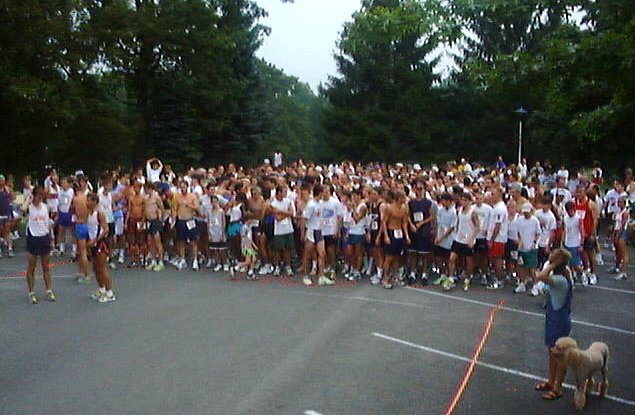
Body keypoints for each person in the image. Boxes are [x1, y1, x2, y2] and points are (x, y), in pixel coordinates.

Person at [534, 248, 573, 401]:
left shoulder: (560, 280)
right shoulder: (560, 276)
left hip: (559, 320)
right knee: (552, 352)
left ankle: (558, 387)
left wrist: (552, 265)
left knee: (560, 355)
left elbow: (540, 276)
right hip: (553, 318)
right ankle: (551, 381)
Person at [22, 186, 56, 304]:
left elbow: (48, 223)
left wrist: (51, 237)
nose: (40, 198)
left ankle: (49, 290)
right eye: (38, 195)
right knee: (31, 267)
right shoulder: (30, 207)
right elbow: (22, 209)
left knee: (46, 267)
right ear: (34, 195)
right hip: (33, 238)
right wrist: (28, 199)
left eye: (42, 195)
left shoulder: (45, 207)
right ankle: (31, 292)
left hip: (44, 237)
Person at [86, 193, 116, 303]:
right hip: (92, 244)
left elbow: (106, 229)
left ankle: (109, 293)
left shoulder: (99, 214)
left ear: (94, 202)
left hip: (100, 244)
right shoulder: (89, 213)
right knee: (95, 268)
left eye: (89, 200)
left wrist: (95, 240)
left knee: (102, 268)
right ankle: (101, 289)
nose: (87, 202)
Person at [270, 185, 296, 277]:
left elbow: (291, 213)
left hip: (288, 228)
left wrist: (280, 212)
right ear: (279, 192)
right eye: (284, 191)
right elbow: (277, 218)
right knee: (278, 249)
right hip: (278, 230)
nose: (286, 193)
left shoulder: (288, 201)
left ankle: (288, 266)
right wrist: (286, 213)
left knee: (288, 249)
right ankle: (277, 267)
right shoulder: (273, 203)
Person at [71, 176, 91, 283]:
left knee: (83, 251)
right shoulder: (87, 198)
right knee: (82, 250)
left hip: (80, 224)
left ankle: (86, 274)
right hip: (88, 223)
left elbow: (72, 210)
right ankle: (81, 271)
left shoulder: (75, 199)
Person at [144, 182, 165, 271]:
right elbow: (145, 210)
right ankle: (153, 261)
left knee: (157, 242)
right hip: (148, 221)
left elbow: (162, 208)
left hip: (155, 220)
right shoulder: (145, 198)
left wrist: (161, 219)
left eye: (147, 189)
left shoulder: (156, 197)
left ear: (150, 188)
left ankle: (160, 262)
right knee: (150, 242)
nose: (146, 190)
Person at [613, 197, 630, 280]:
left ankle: (624, 273)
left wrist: (618, 235)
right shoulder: (619, 211)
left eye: (620, 202)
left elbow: (622, 225)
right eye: (618, 202)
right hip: (617, 231)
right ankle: (616, 267)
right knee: (618, 252)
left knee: (623, 253)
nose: (618, 204)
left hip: (622, 233)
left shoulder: (625, 212)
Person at [0, 174, 15, 258]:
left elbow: (13, 198)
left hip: (6, 212)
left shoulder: (7, 189)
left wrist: (10, 190)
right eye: (0, 180)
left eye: (2, 180)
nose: (1, 182)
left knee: (8, 230)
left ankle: (10, 249)